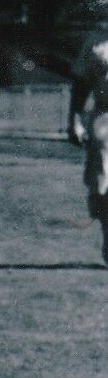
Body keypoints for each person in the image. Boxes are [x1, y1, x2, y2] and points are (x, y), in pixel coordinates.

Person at [69, 22, 108, 265]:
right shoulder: (97, 41)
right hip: (106, 121)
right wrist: (73, 121)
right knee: (103, 184)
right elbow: (81, 84)